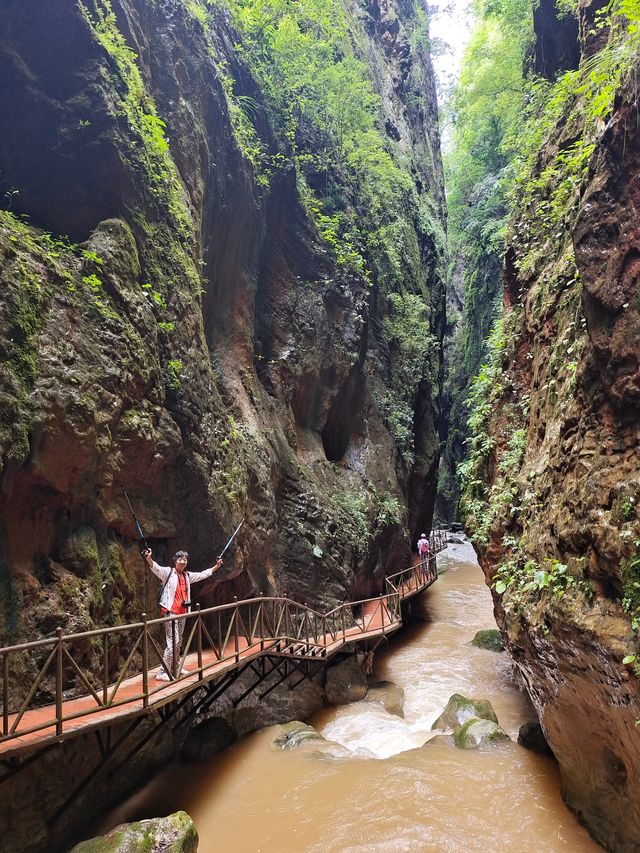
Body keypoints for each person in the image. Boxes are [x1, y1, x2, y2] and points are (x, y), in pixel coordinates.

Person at [142, 548, 223, 681]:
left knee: (178, 642)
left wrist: (217, 566)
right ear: (175, 561)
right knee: (173, 642)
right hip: (170, 612)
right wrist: (148, 558)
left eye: (185, 559)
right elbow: (155, 567)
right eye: (180, 559)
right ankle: (162, 672)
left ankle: (176, 667)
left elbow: (203, 574)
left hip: (182, 613)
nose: (183, 562)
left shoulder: (187, 576)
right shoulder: (168, 573)